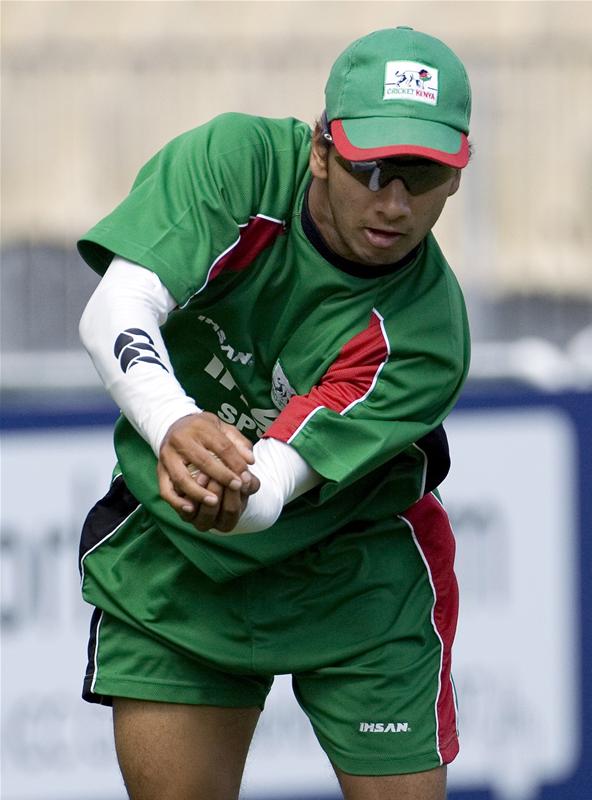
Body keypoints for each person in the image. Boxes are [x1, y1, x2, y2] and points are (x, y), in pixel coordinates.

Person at [77, 25, 472, 800]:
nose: (394, 203)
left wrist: (213, 464)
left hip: (358, 567)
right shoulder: (237, 164)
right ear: (322, 149)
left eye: (423, 177)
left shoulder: (428, 333)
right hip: (180, 556)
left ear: (456, 178)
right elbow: (114, 308)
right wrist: (174, 423)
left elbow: (265, 492)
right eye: (374, 168)